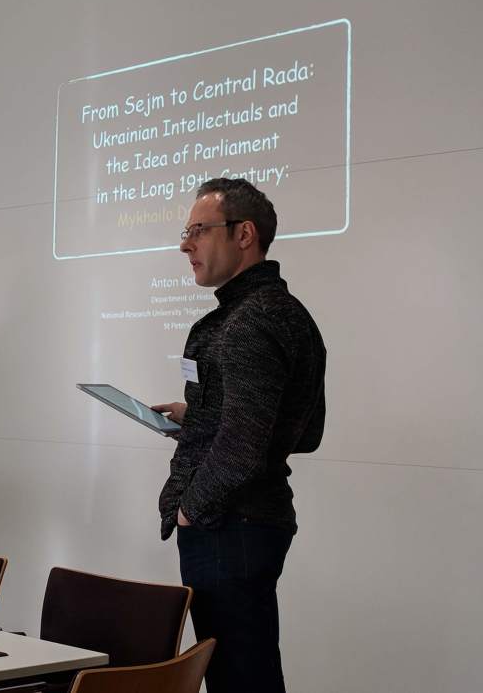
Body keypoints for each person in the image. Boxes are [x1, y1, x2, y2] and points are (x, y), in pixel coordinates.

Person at [153, 178, 326, 693]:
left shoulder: (250, 321)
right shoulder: (285, 315)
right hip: (245, 524)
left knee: (240, 680)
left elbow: (247, 444)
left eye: (198, 231)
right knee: (245, 675)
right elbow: (304, 429)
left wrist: (191, 507)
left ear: (244, 233)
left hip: (230, 527)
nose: (186, 245)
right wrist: (201, 414)